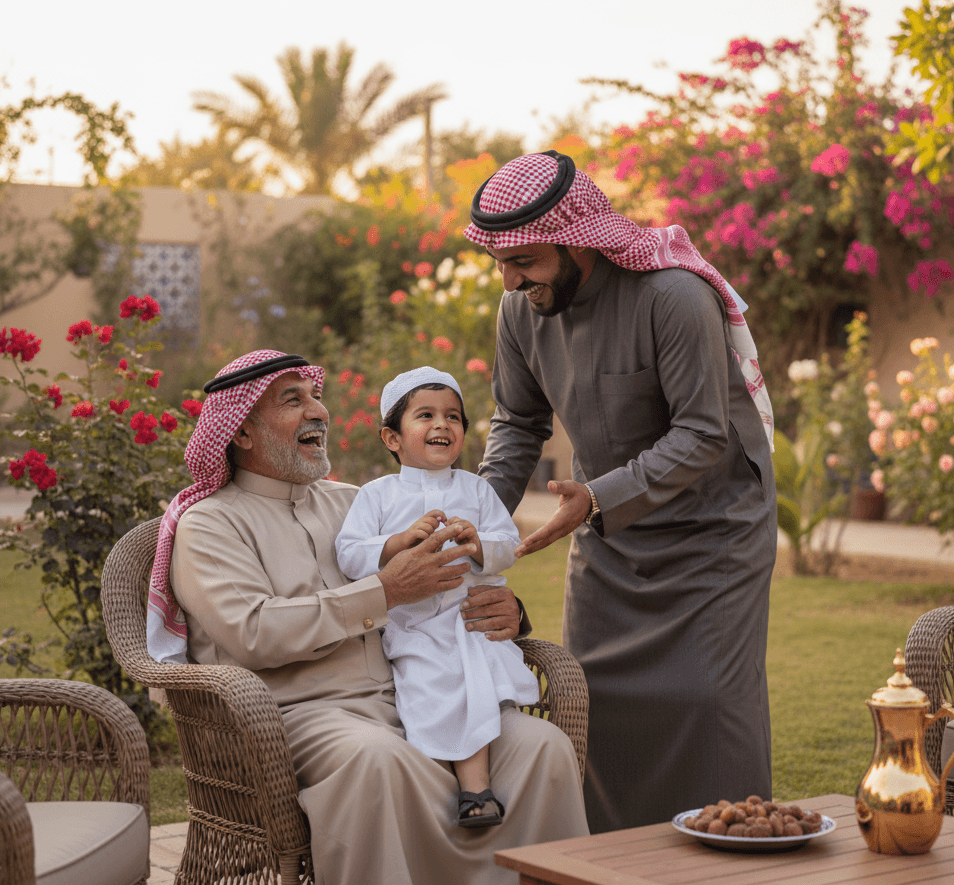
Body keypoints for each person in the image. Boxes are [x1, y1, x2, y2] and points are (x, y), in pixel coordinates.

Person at [145, 350, 588, 885]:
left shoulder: (353, 502)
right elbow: (255, 633)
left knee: (543, 748)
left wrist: (509, 612)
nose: (320, 412)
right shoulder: (209, 525)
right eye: (295, 401)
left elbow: (460, 573)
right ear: (240, 433)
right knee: (378, 760)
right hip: (303, 714)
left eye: (316, 397)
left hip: (416, 692)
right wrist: (386, 590)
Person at [465, 151, 778, 833]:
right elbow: (519, 422)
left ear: (578, 241)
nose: (512, 279)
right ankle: (614, 868)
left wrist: (597, 497)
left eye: (526, 260)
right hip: (609, 536)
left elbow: (704, 434)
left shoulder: (673, 298)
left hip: (713, 534)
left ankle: (733, 860)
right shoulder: (519, 312)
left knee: (707, 702)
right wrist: (477, 513)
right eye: (501, 262)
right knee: (595, 703)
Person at [335, 366, 541, 829]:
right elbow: (349, 553)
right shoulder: (377, 496)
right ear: (392, 438)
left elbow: (510, 544)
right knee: (435, 684)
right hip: (417, 627)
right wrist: (398, 543)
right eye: (425, 415)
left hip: (471, 622)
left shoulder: (477, 489)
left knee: (474, 679)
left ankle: (475, 791)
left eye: (453, 417)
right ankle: (468, 790)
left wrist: (478, 545)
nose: (441, 425)